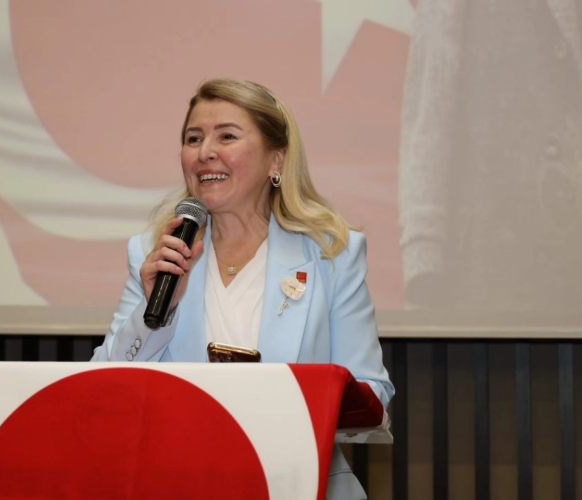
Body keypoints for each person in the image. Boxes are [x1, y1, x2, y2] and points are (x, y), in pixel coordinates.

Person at [91, 78, 394, 499]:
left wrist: (282, 400)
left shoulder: (332, 254)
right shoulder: (155, 253)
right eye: (193, 138)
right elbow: (104, 384)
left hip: (297, 483)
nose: (204, 152)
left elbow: (372, 393)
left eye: (227, 136)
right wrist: (156, 313)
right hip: (179, 484)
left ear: (276, 159)